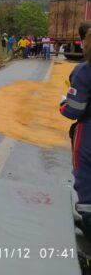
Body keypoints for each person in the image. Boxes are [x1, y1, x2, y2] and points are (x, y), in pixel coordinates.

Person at [60, 22, 91, 242]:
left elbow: (73, 110)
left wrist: (63, 103)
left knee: (86, 177)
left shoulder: (84, 70)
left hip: (88, 130)